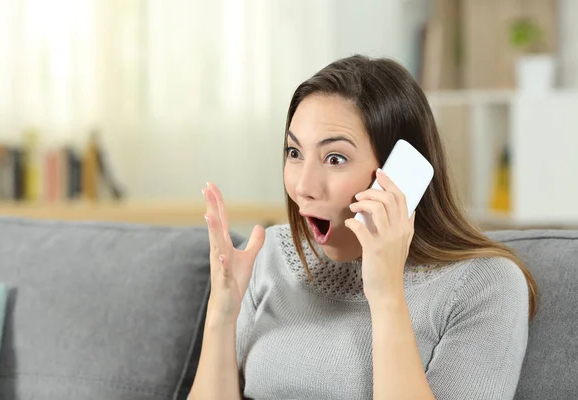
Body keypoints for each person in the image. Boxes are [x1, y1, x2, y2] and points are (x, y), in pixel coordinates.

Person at [189, 55, 537, 400]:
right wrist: (222, 313)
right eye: (294, 153)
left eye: (335, 158)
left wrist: (386, 294)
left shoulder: (484, 286)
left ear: (399, 175)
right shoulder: (271, 256)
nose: (303, 186)